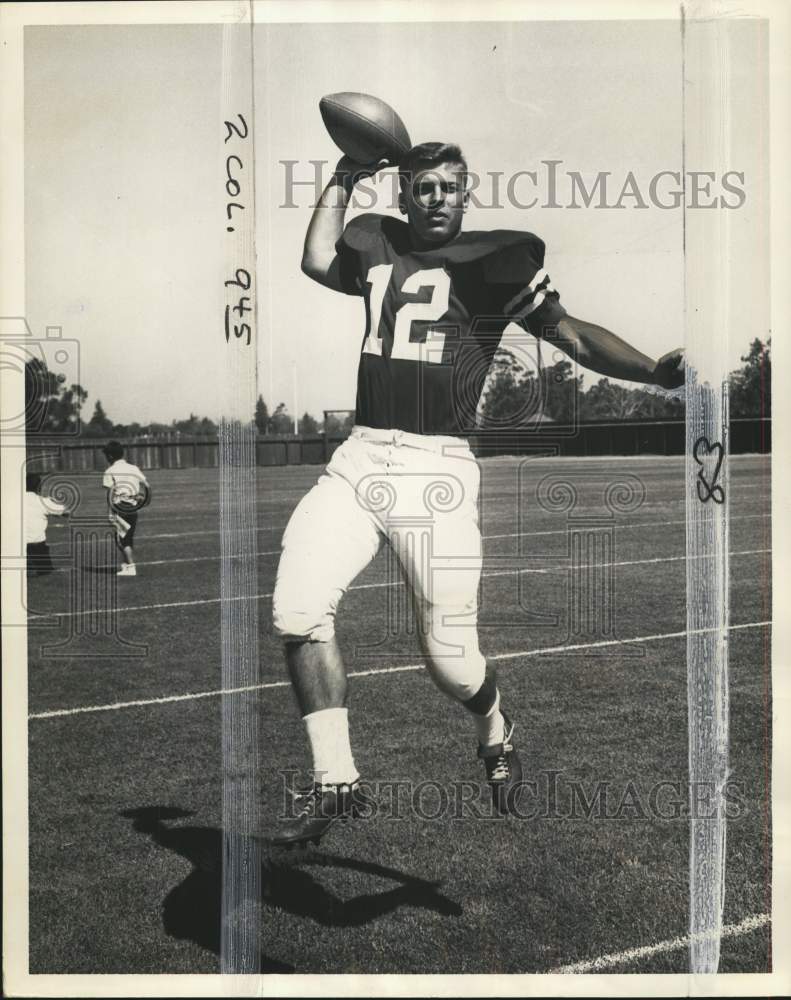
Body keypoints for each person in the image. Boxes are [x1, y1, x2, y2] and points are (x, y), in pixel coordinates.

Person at [271, 142, 684, 847]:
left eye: (447, 188)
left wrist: (651, 370)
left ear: (466, 195)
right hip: (361, 454)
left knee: (449, 658)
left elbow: (573, 335)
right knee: (296, 611)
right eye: (421, 187)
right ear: (403, 193)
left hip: (436, 469)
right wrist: (343, 177)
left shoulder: (498, 261)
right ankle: (335, 778)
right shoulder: (375, 238)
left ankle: (495, 726)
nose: (434, 198)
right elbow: (314, 260)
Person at [102, 440, 149, 577]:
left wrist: (110, 512)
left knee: (121, 539)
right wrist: (141, 498)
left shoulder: (110, 471)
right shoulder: (133, 468)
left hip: (119, 507)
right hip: (133, 507)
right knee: (127, 537)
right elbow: (146, 484)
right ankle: (126, 566)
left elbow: (110, 494)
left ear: (110, 456)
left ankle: (130, 566)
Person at [25, 472, 69, 576]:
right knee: (45, 571)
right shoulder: (42, 501)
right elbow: (67, 512)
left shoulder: (11, 500)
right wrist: (53, 501)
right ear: (39, 486)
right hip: (36, 546)